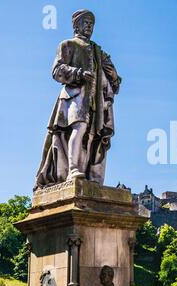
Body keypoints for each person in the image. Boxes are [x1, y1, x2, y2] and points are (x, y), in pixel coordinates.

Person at [34, 9, 122, 190]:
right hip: (73, 97)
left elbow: (113, 75)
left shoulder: (99, 51)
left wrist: (113, 76)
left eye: (92, 23)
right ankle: (73, 170)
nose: (89, 26)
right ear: (76, 25)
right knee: (79, 127)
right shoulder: (68, 45)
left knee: (91, 136)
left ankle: (88, 174)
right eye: (86, 22)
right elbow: (57, 71)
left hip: (95, 100)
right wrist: (79, 73)